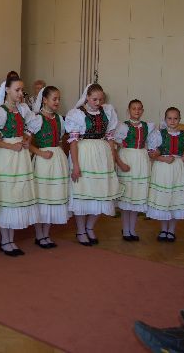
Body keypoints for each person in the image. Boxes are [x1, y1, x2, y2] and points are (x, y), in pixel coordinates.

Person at [0, 76, 42, 257]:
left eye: (21, 90)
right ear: (7, 90)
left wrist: (27, 140)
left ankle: (11, 240)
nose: (20, 93)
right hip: (7, 157)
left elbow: (28, 132)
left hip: (21, 156)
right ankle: (5, 240)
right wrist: (11, 146)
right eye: (17, 90)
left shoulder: (23, 110)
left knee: (18, 195)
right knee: (7, 196)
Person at [66, 83, 122, 246]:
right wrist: (76, 165)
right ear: (87, 98)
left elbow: (110, 138)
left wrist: (112, 159)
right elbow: (73, 142)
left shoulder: (108, 112)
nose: (98, 102)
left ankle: (90, 227)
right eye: (94, 99)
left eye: (101, 99)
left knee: (101, 192)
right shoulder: (77, 114)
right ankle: (81, 230)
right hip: (84, 154)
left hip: (102, 156)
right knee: (83, 192)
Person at [146, 107, 184, 242]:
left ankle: (171, 230)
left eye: (175, 118)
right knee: (164, 198)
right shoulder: (158, 134)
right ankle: (163, 229)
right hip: (163, 168)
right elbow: (151, 154)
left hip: (178, 169)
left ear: (179, 119)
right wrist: (163, 158)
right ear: (165, 120)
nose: (172, 121)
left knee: (176, 198)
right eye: (169, 118)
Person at [29, 86, 69, 248]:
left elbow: (60, 141)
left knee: (53, 196)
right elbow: (26, 143)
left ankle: (46, 234)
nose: (57, 102)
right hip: (43, 161)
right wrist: (40, 153)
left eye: (59, 99)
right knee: (42, 196)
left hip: (57, 160)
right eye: (54, 99)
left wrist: (62, 157)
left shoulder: (59, 119)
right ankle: (39, 235)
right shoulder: (36, 119)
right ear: (45, 100)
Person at [113, 99, 155, 241]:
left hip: (141, 161)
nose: (137, 111)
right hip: (127, 158)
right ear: (128, 111)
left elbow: (151, 146)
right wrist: (120, 163)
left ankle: (132, 229)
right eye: (133, 108)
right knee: (127, 196)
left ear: (142, 110)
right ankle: (125, 229)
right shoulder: (123, 126)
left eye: (139, 108)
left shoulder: (147, 126)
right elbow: (115, 146)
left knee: (137, 196)